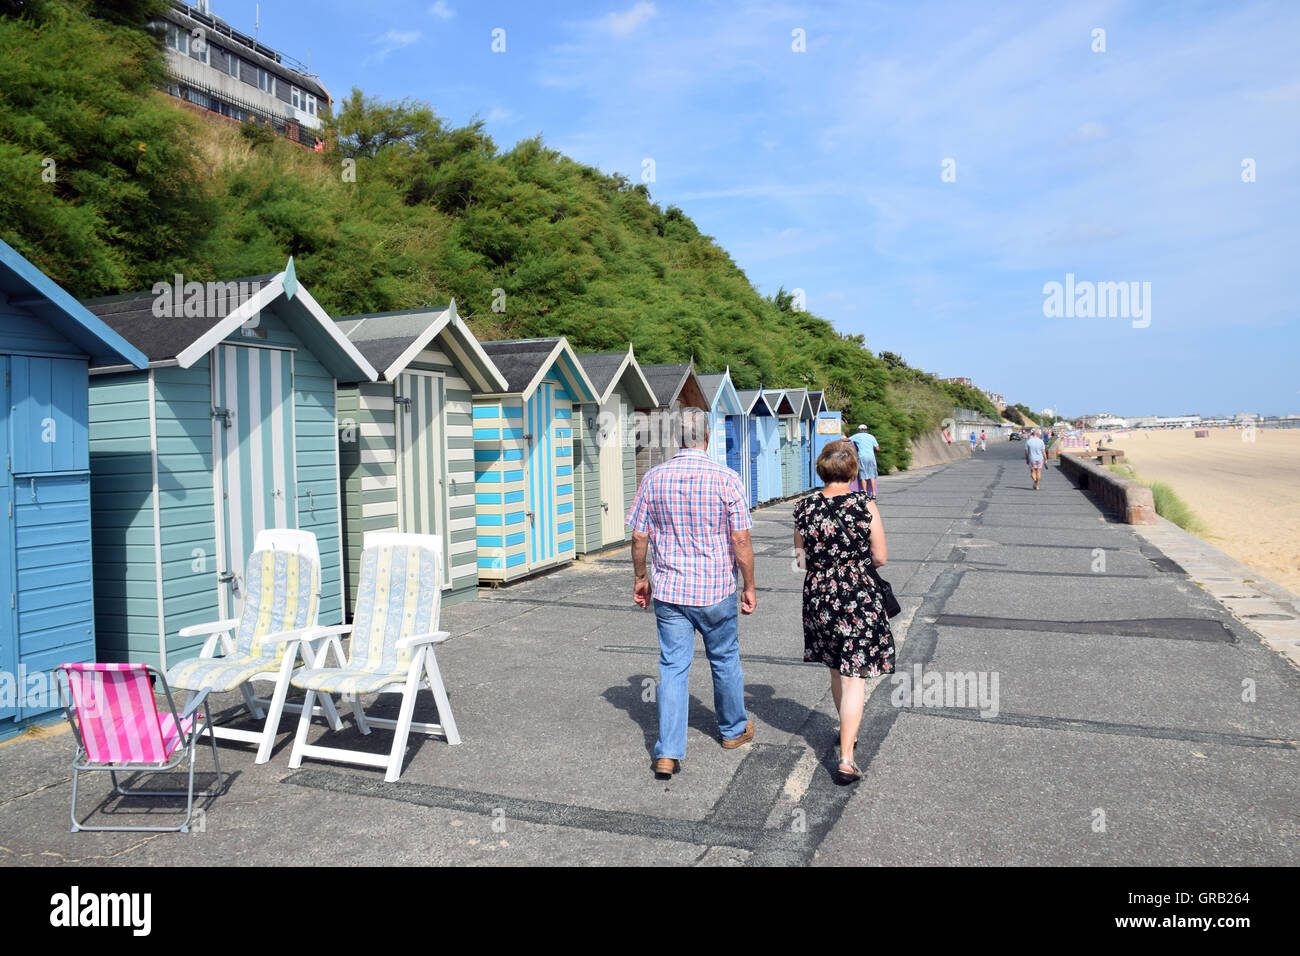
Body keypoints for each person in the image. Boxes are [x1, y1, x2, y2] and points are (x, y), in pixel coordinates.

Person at [629, 406, 757, 780]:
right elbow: (740, 539)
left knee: (672, 669)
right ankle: (733, 731)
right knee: (725, 660)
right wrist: (748, 585)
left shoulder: (654, 478)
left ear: (675, 439)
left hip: (670, 591)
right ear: (707, 436)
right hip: (716, 589)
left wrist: (641, 577)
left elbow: (639, 536)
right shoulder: (726, 478)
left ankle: (667, 752)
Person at [793, 442, 894, 785]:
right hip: (857, 594)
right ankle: (847, 758)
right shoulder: (864, 505)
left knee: (837, 669)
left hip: (819, 595)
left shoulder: (804, 507)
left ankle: (844, 731)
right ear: (852, 472)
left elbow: (799, 561)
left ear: (821, 469)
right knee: (856, 678)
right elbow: (880, 557)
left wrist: (823, 565)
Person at [849, 424, 880, 497]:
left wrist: (841, 438)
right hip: (871, 457)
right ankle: (874, 493)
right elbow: (877, 448)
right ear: (866, 430)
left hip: (862, 457)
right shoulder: (871, 437)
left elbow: (847, 440)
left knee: (863, 475)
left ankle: (865, 493)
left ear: (859, 430)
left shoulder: (857, 436)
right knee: (872, 475)